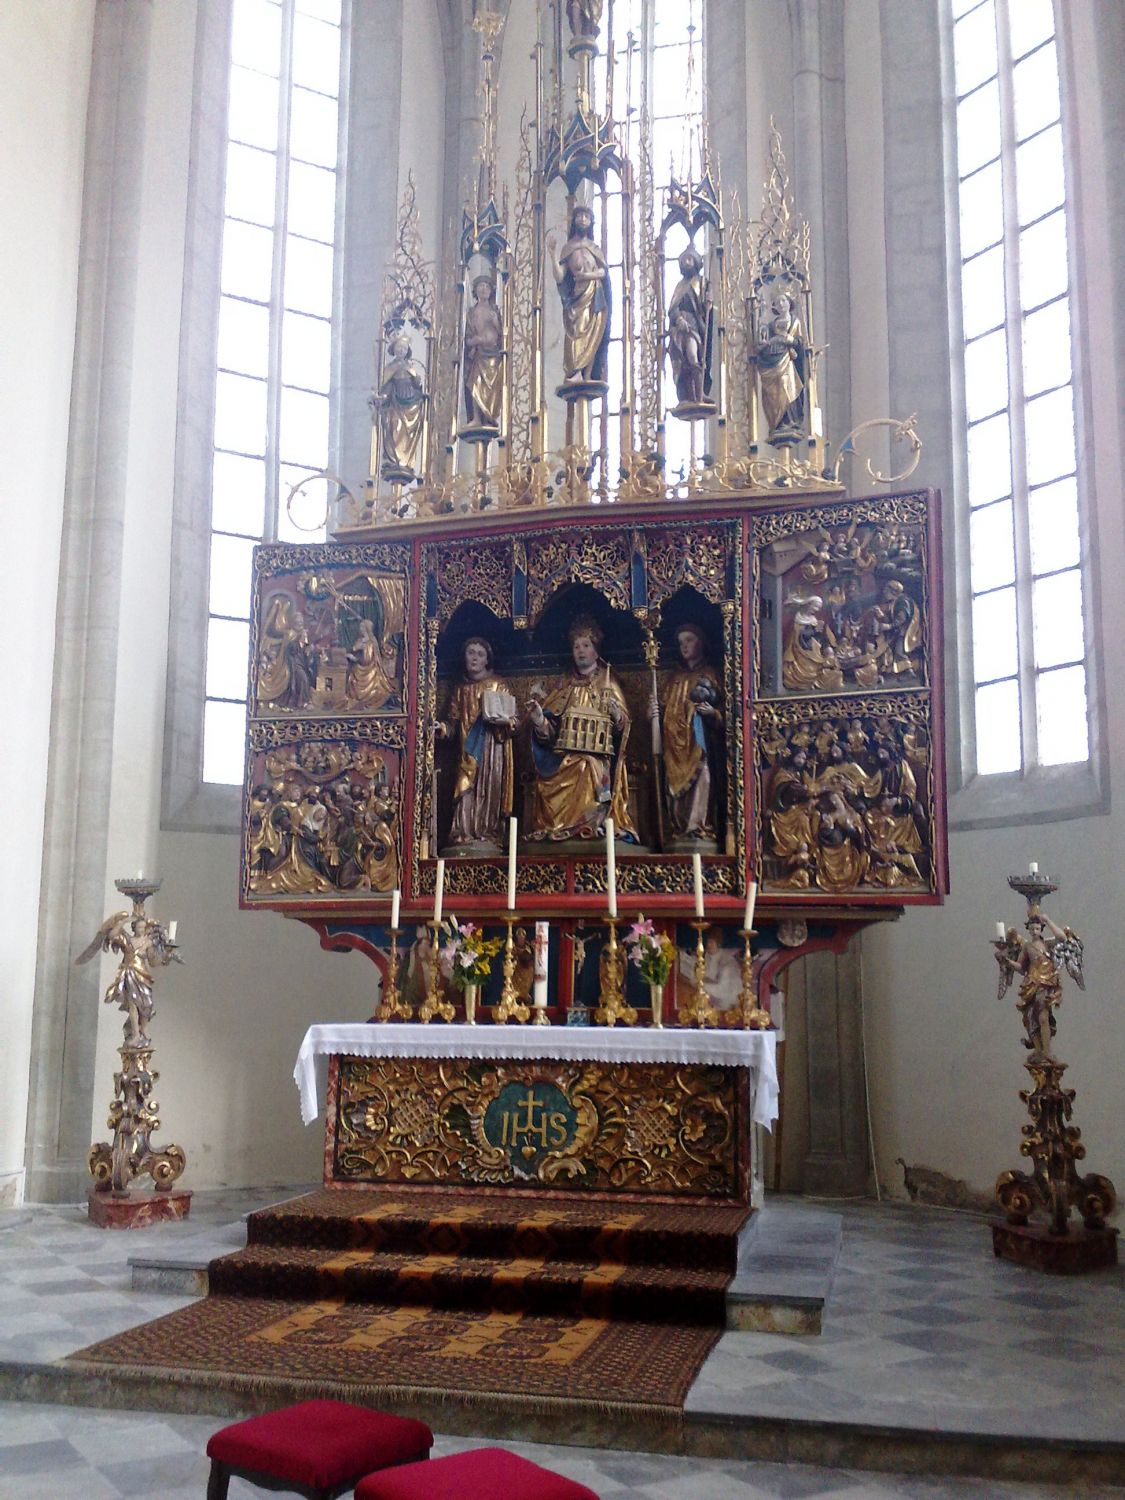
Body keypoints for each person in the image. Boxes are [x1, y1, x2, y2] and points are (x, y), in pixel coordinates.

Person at [527, 615, 636, 842]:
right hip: (563, 754)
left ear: (596, 650)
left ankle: (588, 827)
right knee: (556, 774)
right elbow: (551, 734)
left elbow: (624, 727)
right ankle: (560, 828)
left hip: (598, 757)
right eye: (576, 646)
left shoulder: (608, 683)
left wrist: (616, 714)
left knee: (583, 764)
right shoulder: (564, 686)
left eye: (586, 645)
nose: (580, 650)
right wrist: (540, 721)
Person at [434, 636, 516, 852]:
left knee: (488, 790)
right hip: (467, 751)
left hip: (491, 750)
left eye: (480, 654)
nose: (475, 658)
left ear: (487, 659)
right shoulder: (460, 690)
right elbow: (452, 723)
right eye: (471, 653)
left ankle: (487, 832)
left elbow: (513, 720)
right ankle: (463, 831)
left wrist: (503, 721)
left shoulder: (498, 684)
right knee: (465, 789)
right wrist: (442, 729)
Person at [652, 623, 723, 843]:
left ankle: (698, 827)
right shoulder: (675, 678)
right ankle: (679, 828)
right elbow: (662, 708)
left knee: (703, 779)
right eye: (681, 642)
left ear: (701, 643)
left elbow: (729, 714)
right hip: (674, 745)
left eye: (689, 640)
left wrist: (713, 713)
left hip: (699, 744)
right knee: (672, 786)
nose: (684, 646)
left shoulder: (711, 674)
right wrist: (653, 712)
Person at [547, 205, 611, 387]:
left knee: (593, 334)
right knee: (575, 332)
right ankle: (576, 371)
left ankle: (587, 374)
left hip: (594, 295)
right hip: (576, 297)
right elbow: (560, 277)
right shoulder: (568, 248)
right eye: (580, 216)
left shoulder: (594, 248)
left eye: (586, 217)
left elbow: (603, 273)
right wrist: (552, 255)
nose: (583, 219)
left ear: (591, 222)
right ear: (574, 221)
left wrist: (587, 276)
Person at [757, 291, 806, 444]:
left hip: (789, 362)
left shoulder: (795, 322)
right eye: (777, 303)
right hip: (773, 359)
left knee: (789, 388)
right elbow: (764, 341)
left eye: (783, 300)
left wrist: (790, 340)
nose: (781, 304)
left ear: (789, 302)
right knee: (775, 392)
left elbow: (800, 343)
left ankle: (791, 420)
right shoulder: (771, 325)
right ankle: (778, 423)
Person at [667, 245, 713, 408]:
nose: (687, 262)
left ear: (696, 262)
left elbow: (705, 307)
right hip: (680, 328)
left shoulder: (701, 283)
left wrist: (708, 304)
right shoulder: (680, 286)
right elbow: (672, 308)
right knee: (682, 360)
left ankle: (700, 393)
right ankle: (687, 395)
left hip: (694, 324)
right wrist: (678, 319)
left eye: (690, 259)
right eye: (684, 260)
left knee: (694, 356)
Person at [377, 333, 427, 479]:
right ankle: (394, 459)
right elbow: (386, 387)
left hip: (411, 404)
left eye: (404, 348)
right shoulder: (389, 368)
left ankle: (405, 460)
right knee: (394, 425)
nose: (401, 350)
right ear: (394, 348)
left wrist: (418, 383)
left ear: (407, 351)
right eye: (399, 347)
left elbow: (417, 387)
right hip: (395, 405)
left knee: (407, 431)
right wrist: (381, 398)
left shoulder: (410, 367)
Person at [462, 275, 504, 429]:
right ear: (475, 290)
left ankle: (490, 416)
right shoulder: (471, 313)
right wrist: (476, 341)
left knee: (491, 387)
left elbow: (502, 336)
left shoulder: (495, 311)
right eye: (481, 286)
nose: (484, 288)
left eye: (487, 286)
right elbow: (467, 338)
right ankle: (477, 418)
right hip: (479, 355)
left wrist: (496, 323)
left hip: (493, 356)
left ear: (491, 291)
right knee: (475, 384)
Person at [347, 617, 395, 710]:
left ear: (366, 629)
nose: (360, 630)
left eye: (362, 628)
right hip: (361, 668)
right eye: (360, 628)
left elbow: (367, 660)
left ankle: (362, 698)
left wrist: (353, 658)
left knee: (354, 674)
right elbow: (354, 648)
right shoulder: (361, 640)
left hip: (369, 670)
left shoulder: (371, 643)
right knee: (351, 674)